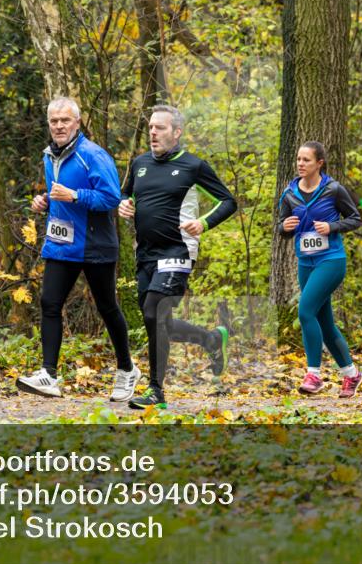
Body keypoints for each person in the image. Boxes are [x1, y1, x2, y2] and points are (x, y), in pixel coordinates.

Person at [17, 97, 139, 400]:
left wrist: (74, 195)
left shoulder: (93, 156)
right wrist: (44, 202)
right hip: (61, 244)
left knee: (107, 307)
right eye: (54, 121)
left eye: (65, 120)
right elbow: (58, 197)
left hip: (95, 243)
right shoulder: (49, 156)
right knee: (49, 303)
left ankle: (127, 369)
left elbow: (111, 198)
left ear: (77, 122)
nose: (59, 126)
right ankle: (49, 375)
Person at [118, 105, 237, 409]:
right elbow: (126, 195)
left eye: (160, 128)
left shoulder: (193, 166)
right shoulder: (140, 163)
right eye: (150, 128)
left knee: (153, 312)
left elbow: (228, 201)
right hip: (145, 253)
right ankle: (211, 339)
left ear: (177, 132)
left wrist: (204, 223)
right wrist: (124, 205)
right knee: (161, 322)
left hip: (178, 250)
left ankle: (156, 392)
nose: (153, 133)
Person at [277, 141, 362, 398]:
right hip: (306, 262)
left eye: (306, 160)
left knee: (305, 310)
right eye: (299, 159)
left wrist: (332, 227)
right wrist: (285, 227)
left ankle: (313, 374)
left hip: (331, 260)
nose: (300, 164)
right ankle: (352, 375)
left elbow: (356, 218)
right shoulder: (289, 193)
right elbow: (281, 228)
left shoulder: (333, 189)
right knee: (325, 323)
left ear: (319, 163)